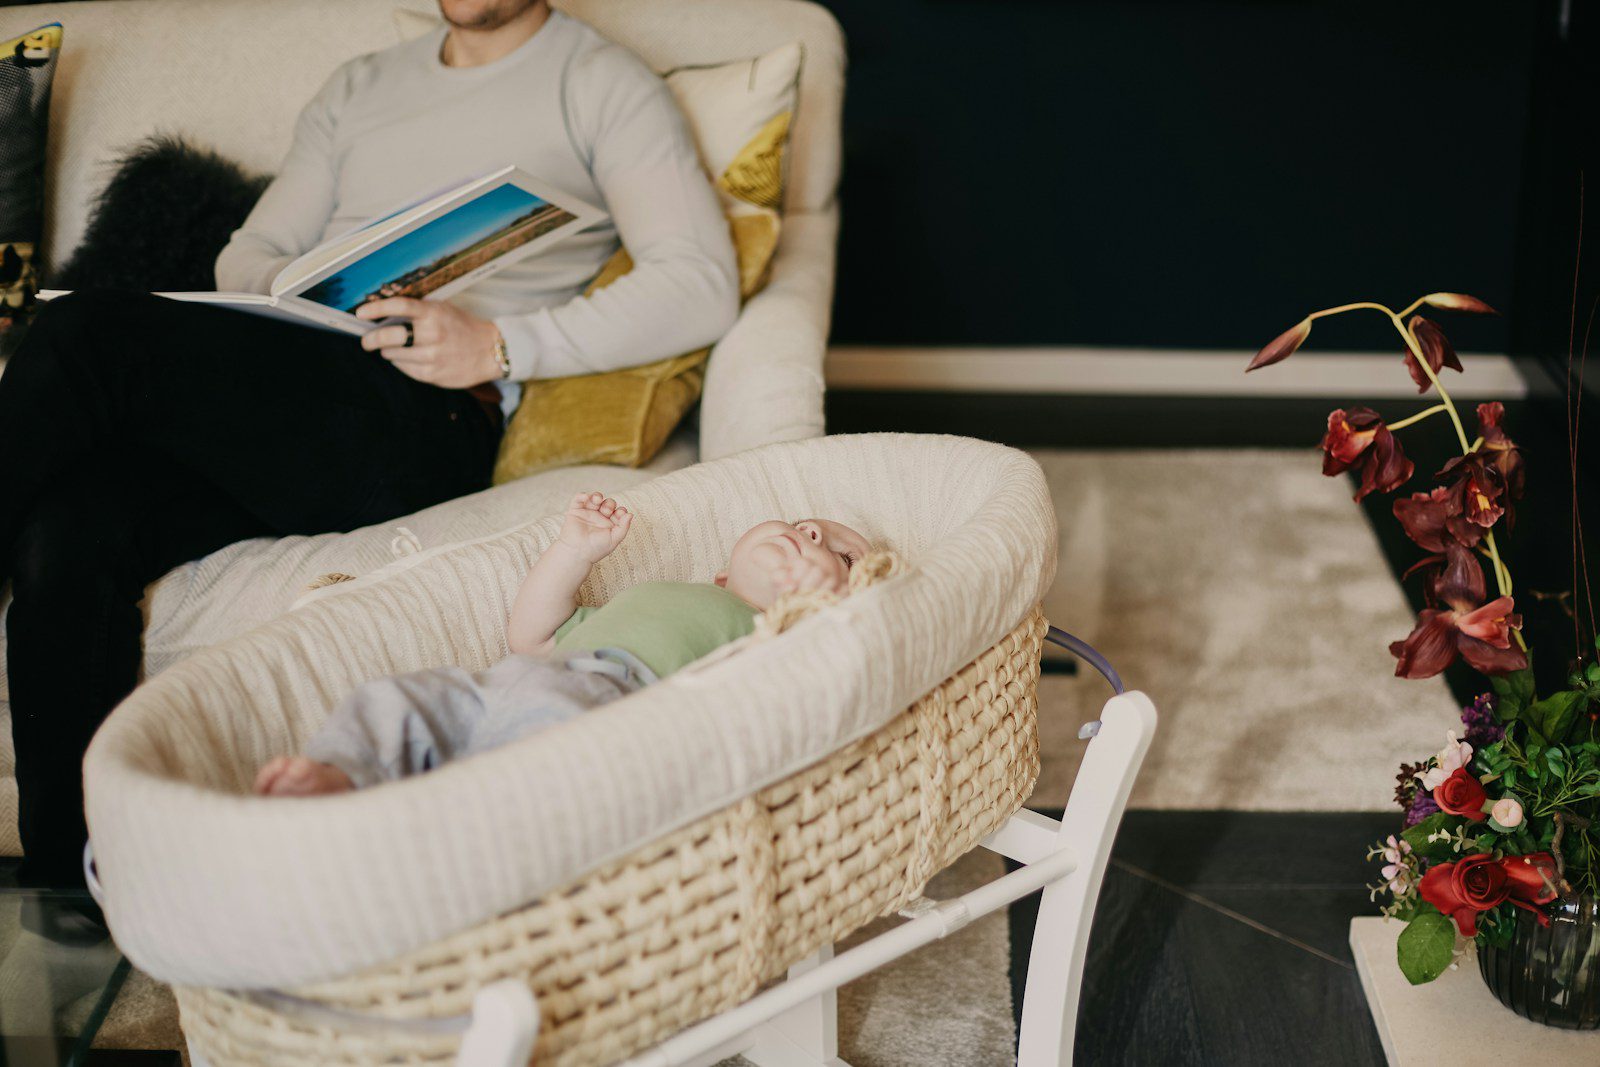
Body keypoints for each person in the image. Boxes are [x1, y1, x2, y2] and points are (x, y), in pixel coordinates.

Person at [0, 0, 738, 884]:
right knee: (72, 522)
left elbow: (700, 280)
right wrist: (299, 296)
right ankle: (78, 884)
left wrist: (501, 346)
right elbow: (252, 251)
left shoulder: (597, 80)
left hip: (428, 414)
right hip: (287, 395)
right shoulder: (361, 87)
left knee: (87, 332)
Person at [254, 493, 873, 796]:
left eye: (841, 555)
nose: (810, 531)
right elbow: (532, 637)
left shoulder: (771, 637)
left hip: (614, 709)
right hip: (512, 681)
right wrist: (571, 552)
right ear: (720, 572)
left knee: (523, 765)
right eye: (799, 524)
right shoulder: (675, 592)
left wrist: (811, 613)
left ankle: (420, 820)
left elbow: (805, 683)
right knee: (396, 699)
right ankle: (341, 774)